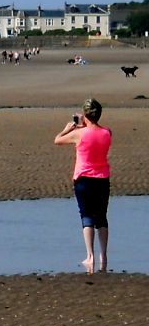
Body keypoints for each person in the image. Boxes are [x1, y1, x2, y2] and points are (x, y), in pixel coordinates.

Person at [54, 99, 112, 274]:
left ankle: (90, 256)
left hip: (83, 179)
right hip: (102, 178)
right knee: (101, 216)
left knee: (87, 215)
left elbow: (57, 140)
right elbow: (95, 131)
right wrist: (83, 125)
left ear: (86, 114)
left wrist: (69, 128)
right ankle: (103, 255)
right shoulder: (107, 132)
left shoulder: (79, 134)